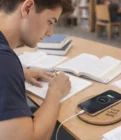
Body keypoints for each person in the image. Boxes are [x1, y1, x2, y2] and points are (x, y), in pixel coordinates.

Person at [0, 1, 74, 140]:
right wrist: (55, 92)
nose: (50, 33)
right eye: (50, 22)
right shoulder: (4, 61)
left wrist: (22, 72)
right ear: (27, 8)